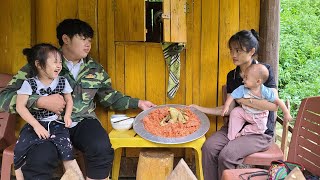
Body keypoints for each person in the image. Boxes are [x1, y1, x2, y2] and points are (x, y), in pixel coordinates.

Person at [0, 19, 155, 180]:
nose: (88, 44)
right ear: (66, 39)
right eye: (83, 38)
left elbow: (109, 97)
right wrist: (39, 101)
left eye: (89, 40)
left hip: (83, 121)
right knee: (40, 158)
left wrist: (138, 103)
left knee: (101, 147)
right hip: (48, 123)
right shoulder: (39, 65)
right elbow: (4, 98)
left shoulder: (95, 69)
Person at [190, 29, 279, 180]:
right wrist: (199, 109)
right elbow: (229, 109)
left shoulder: (264, 71)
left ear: (251, 51)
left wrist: (244, 101)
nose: (233, 55)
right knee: (208, 148)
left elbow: (273, 105)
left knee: (227, 155)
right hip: (234, 127)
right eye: (231, 50)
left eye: (238, 50)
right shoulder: (232, 76)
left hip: (259, 132)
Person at [14, 43, 84, 180]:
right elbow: (20, 107)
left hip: (56, 122)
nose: (59, 65)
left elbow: (69, 100)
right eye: (55, 62)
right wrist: (36, 126)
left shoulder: (62, 81)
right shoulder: (29, 83)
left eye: (60, 62)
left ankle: (75, 176)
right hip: (35, 123)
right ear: (39, 64)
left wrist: (67, 116)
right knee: (20, 149)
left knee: (66, 148)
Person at [221, 64, 292, 140]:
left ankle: (243, 132)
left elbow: (278, 101)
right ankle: (231, 136)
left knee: (261, 128)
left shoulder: (265, 91)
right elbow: (233, 95)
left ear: (258, 81)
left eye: (246, 78)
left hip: (259, 115)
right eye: (244, 76)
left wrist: (286, 113)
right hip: (245, 112)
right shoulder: (242, 88)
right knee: (235, 112)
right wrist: (226, 105)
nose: (243, 80)